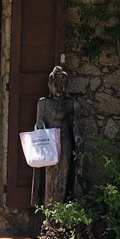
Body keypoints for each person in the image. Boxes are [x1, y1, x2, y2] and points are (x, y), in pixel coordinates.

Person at [32, 65, 78, 208]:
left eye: (62, 84)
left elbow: (75, 124)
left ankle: (61, 208)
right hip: (49, 143)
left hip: (65, 142)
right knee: (50, 177)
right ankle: (48, 209)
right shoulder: (43, 103)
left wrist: (78, 137)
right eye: (56, 84)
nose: (59, 88)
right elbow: (39, 122)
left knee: (63, 175)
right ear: (50, 85)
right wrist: (39, 127)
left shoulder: (71, 104)